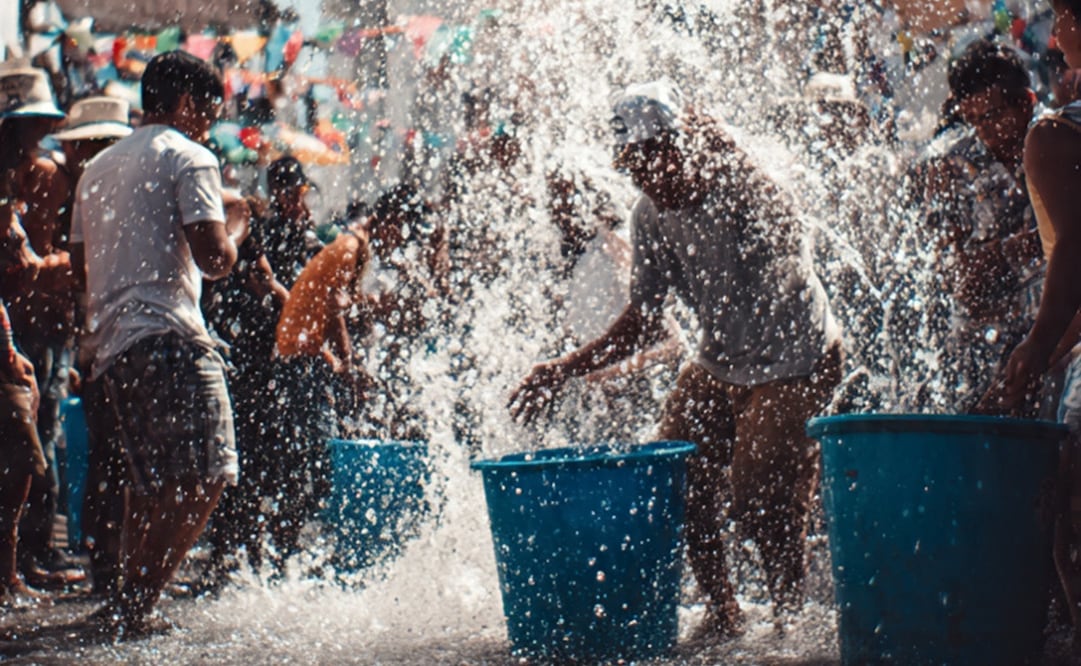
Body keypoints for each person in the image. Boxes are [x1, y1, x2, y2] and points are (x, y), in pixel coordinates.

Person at [509, 81, 843, 641]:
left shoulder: (740, 183)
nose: (645, 178)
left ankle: (791, 621)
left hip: (797, 357)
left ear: (680, 146)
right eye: (632, 168)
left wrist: (736, 155)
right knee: (672, 479)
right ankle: (723, 613)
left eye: (652, 160)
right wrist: (563, 368)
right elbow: (642, 319)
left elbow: (792, 232)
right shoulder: (650, 217)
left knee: (759, 494)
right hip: (720, 363)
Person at [69, 51, 243, 636]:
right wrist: (237, 226)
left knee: (156, 485)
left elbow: (78, 268)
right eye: (209, 112)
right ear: (187, 103)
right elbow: (215, 259)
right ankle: (135, 605)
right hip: (169, 335)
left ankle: (127, 602)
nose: (209, 126)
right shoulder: (190, 157)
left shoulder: (95, 169)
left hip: (113, 344)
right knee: (213, 473)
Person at [984, 0, 1081, 640]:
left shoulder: (1056, 135)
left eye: (1054, 12)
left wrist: (1038, 341)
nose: (1045, 26)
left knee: (1072, 533)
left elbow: (1077, 249)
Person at [0, 59, 85, 590]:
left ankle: (29, 556)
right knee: (30, 447)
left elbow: (51, 259)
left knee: (37, 444)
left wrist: (42, 270)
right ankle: (24, 561)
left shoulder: (46, 176)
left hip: (38, 327)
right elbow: (31, 260)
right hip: (18, 328)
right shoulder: (27, 178)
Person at [932, 39, 1045, 414]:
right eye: (975, 120)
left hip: (1055, 343)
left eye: (994, 116)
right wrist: (1024, 247)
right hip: (983, 353)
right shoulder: (954, 168)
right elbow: (954, 279)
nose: (986, 132)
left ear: (1026, 101)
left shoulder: (1059, 143)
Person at [50, 96, 134, 597]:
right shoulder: (71, 187)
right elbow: (80, 272)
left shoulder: (91, 186)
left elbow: (82, 273)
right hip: (98, 338)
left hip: (98, 337)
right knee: (108, 456)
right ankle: (104, 561)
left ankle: (109, 561)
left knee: (111, 457)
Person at [272, 227, 371, 564]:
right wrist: (344, 363)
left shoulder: (338, 247)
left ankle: (285, 540)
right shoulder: (350, 248)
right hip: (303, 359)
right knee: (319, 453)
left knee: (301, 454)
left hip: (293, 353)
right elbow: (334, 303)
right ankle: (295, 544)